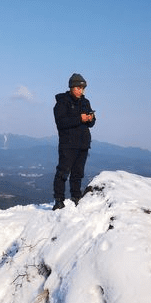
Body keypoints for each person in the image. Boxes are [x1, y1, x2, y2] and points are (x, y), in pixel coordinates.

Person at [52, 73, 96, 210]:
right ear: (71, 87)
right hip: (68, 144)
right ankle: (58, 200)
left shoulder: (85, 102)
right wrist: (80, 118)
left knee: (78, 173)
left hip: (83, 144)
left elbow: (92, 123)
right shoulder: (62, 102)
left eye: (82, 88)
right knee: (63, 172)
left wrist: (91, 119)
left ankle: (76, 197)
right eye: (78, 88)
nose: (80, 91)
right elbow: (61, 122)